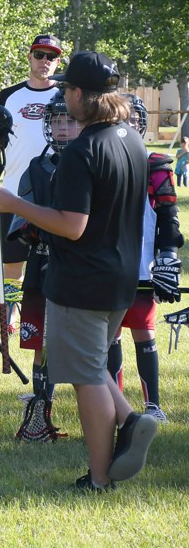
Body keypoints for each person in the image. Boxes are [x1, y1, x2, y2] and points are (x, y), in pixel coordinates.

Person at [0, 51, 159, 491]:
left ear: (81, 94)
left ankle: (100, 478)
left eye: (67, 89)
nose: (63, 96)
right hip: (121, 278)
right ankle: (130, 419)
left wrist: (14, 205)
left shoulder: (83, 150)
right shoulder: (132, 140)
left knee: (85, 378)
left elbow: (71, 225)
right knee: (93, 363)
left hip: (82, 281)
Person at [7, 90, 82, 441]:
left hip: (79, 266)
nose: (62, 127)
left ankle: (99, 408)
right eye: (56, 121)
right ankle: (41, 404)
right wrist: (29, 229)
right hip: (42, 262)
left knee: (87, 340)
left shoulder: (87, 163)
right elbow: (21, 222)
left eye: (69, 120)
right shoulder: (37, 166)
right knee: (39, 339)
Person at [104, 93, 183, 424]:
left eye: (132, 119)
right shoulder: (103, 161)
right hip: (107, 265)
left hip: (142, 267)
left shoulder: (155, 166)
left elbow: (168, 218)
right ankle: (115, 406)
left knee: (144, 331)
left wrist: (167, 255)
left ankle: (153, 404)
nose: (127, 125)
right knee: (110, 335)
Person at [0, 35, 64, 336]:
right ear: (29, 57)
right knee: (12, 265)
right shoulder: (8, 96)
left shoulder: (67, 95)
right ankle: (9, 315)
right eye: (39, 55)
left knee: (55, 261)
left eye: (51, 56)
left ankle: (52, 315)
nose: (44, 61)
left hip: (55, 193)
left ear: (58, 61)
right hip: (12, 192)